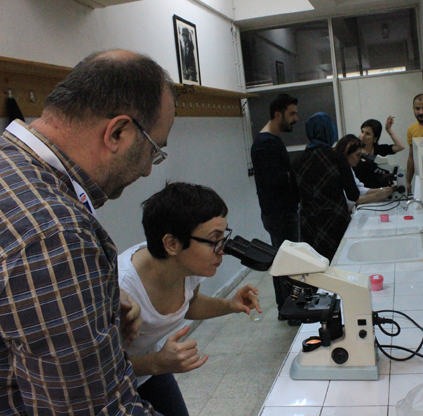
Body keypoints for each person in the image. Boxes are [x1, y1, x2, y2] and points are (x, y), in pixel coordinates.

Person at [0, 50, 175, 414]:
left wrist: (94, 298)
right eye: (154, 151)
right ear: (118, 132)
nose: (147, 170)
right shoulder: (54, 235)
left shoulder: (10, 165)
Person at [118, 182, 262, 416]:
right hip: (108, 385)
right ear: (172, 244)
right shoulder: (120, 289)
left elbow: (189, 303)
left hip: (151, 368)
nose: (222, 250)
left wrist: (229, 305)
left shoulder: (189, 267)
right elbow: (94, 369)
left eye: (223, 236)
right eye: (214, 240)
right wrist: (158, 362)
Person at [251, 93, 300, 323]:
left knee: (284, 262)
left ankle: (286, 309)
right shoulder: (265, 144)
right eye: (292, 114)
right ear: (277, 114)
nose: (295, 118)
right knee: (286, 264)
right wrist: (293, 174)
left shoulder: (273, 140)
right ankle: (290, 310)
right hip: (279, 214)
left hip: (282, 212)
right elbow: (275, 179)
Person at [292, 112, 359, 261]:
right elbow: (353, 195)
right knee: (339, 263)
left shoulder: (297, 162)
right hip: (336, 222)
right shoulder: (337, 158)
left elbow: (294, 198)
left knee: (315, 265)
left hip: (309, 225)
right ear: (330, 130)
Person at [335, 134, 394, 210]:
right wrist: (376, 195)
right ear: (346, 153)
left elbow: (358, 188)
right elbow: (349, 201)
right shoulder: (336, 171)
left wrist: (383, 190)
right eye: (358, 155)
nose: (360, 158)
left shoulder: (348, 168)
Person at [354, 117, 406, 188]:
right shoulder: (354, 151)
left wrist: (389, 129)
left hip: (384, 190)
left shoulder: (379, 149)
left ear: (375, 138)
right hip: (367, 192)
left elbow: (400, 146)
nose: (362, 136)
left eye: (367, 134)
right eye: (362, 131)